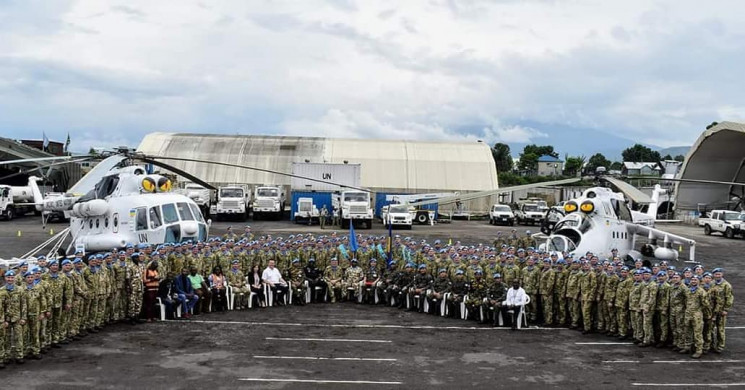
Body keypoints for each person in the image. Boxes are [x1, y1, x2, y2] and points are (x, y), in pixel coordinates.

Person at [710, 268, 733, 353]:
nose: (717, 276)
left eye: (719, 274)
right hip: (712, 311)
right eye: (716, 274)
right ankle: (711, 345)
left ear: (722, 275)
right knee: (710, 328)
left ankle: (720, 346)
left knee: (720, 329)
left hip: (721, 311)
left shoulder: (726, 285)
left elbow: (729, 298)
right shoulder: (712, 283)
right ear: (714, 275)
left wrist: (726, 309)